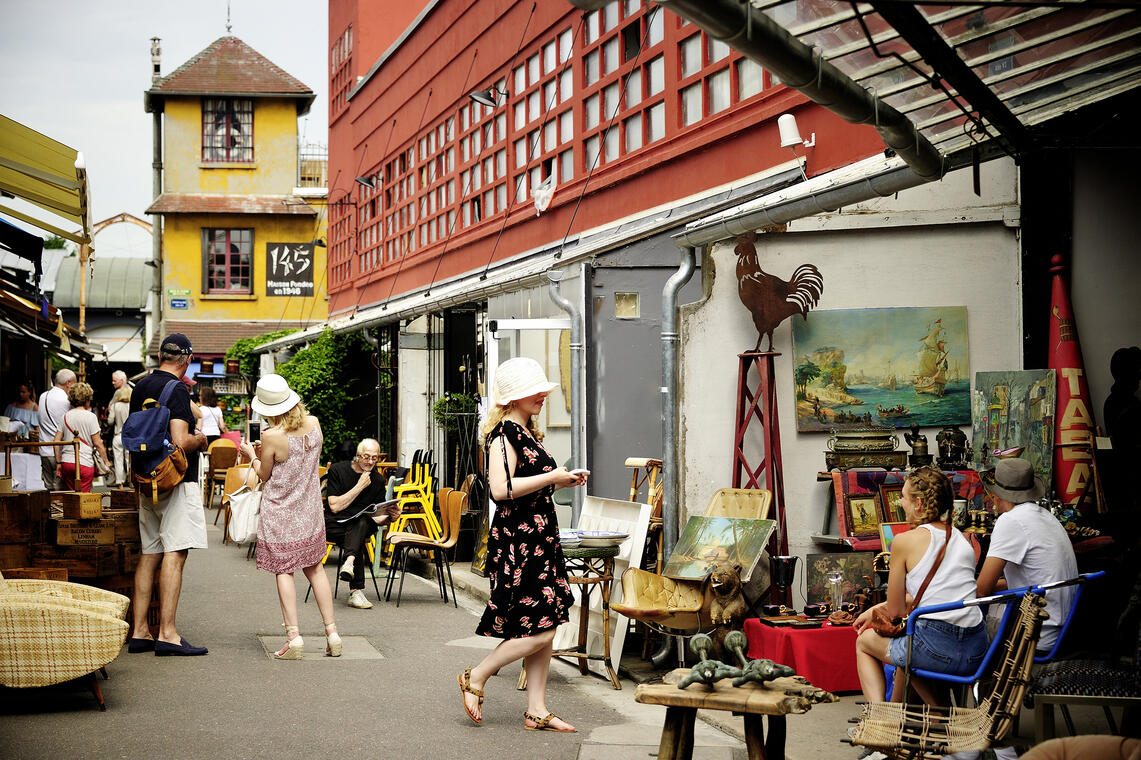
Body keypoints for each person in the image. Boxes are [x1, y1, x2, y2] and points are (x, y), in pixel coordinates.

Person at [457, 357, 588, 732]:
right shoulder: (503, 435)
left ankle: (536, 709)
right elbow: (501, 490)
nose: (543, 396)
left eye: (543, 390)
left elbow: (528, 483)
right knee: (542, 629)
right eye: (535, 391)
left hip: (538, 536)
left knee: (542, 619)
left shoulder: (528, 432)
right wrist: (552, 476)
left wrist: (559, 481)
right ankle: (477, 675)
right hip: (521, 540)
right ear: (513, 398)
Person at [853, 466, 987, 707]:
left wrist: (877, 612)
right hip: (975, 650)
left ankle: (881, 719)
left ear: (917, 503)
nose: (899, 504)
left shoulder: (903, 541)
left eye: (903, 498)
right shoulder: (963, 540)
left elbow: (895, 614)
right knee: (910, 644)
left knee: (864, 641)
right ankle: (929, 712)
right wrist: (872, 611)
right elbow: (940, 594)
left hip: (934, 650)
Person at [238, 374, 341, 660]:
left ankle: (294, 637)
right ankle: (332, 633)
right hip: (308, 510)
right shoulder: (315, 424)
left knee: (284, 571)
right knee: (315, 568)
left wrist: (251, 453)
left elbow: (264, 474)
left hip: (280, 512)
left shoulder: (271, 436)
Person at [127, 334, 210, 656]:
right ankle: (168, 633)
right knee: (175, 553)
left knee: (150, 553)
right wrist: (200, 441)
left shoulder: (142, 387)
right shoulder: (176, 389)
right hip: (175, 480)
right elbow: (179, 441)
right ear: (186, 359)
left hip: (146, 478)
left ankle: (140, 631)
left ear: (160, 355)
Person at [977, 458, 1078, 652]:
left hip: (1036, 632)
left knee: (957, 627)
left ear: (997, 495)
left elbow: (982, 591)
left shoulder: (1011, 520)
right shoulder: (1047, 515)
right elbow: (1034, 576)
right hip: (1061, 628)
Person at [325, 438, 400, 609]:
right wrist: (359, 486)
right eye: (366, 457)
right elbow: (334, 506)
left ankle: (349, 563)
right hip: (335, 524)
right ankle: (355, 592)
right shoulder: (338, 470)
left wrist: (390, 516)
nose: (370, 462)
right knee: (356, 533)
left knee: (361, 520)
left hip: (363, 525)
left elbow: (377, 516)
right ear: (358, 456)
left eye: (374, 458)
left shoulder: (379, 481)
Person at [53, 381, 111, 492]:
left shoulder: (65, 417)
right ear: (87, 399)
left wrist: (59, 462)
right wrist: (106, 461)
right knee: (83, 498)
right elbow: (98, 443)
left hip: (67, 463)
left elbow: (56, 441)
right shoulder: (91, 417)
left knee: (71, 496)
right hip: (84, 463)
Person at [38, 368, 75, 490]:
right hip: (59, 452)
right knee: (61, 491)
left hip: (44, 449)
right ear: (68, 383)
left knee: (49, 489)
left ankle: (49, 509)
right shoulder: (66, 400)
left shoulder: (43, 396)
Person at [108, 385, 132, 487]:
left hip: (118, 435)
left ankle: (120, 483)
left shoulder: (115, 406)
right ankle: (131, 481)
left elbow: (110, 421)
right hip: (129, 436)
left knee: (118, 460)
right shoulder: (132, 405)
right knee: (129, 460)